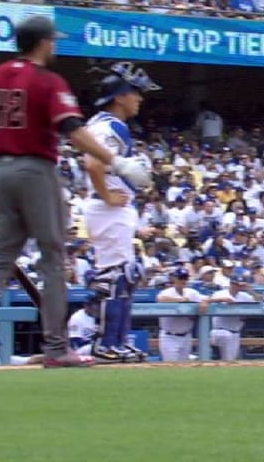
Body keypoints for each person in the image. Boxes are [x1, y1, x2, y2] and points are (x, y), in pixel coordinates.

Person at [0, 15, 151, 370]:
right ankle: (56, 347)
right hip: (36, 168)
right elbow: (73, 131)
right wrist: (117, 161)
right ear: (43, 43)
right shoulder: (48, 81)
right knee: (52, 259)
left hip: (1, 171)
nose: (55, 45)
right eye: (52, 40)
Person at [83, 61, 160, 363]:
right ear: (120, 96)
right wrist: (106, 194)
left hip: (112, 208)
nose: (139, 99)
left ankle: (117, 341)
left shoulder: (109, 124)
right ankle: (105, 344)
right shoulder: (109, 125)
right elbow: (92, 163)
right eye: (135, 93)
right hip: (106, 208)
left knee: (125, 276)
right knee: (115, 278)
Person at [155, 268, 207, 362]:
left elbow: (207, 298)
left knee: (184, 367)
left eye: (185, 278)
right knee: (171, 367)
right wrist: (180, 300)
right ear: (175, 279)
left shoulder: (192, 292)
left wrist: (204, 301)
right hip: (169, 337)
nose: (183, 280)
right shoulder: (167, 292)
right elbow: (160, 299)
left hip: (186, 336)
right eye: (181, 278)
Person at [208, 273, 260, 361]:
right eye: (236, 284)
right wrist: (222, 299)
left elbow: (259, 301)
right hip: (220, 331)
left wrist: (250, 290)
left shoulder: (244, 296)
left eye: (239, 284)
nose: (238, 286)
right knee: (226, 341)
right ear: (231, 284)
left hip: (235, 332)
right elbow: (206, 301)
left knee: (230, 361)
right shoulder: (220, 293)